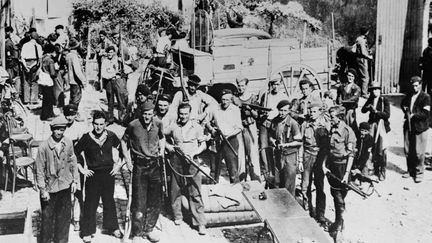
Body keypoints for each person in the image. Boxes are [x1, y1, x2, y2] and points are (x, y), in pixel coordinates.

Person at [74, 111, 124, 242]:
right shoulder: (86, 138)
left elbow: (123, 149)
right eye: (96, 124)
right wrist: (82, 169)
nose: (98, 127)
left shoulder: (111, 136)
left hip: (108, 173)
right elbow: (75, 153)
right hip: (93, 174)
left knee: (109, 200)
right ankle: (87, 231)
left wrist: (118, 165)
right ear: (92, 123)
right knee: (91, 202)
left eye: (101, 124)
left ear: (105, 124)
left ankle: (112, 227)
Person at [121, 101, 165, 242]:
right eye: (145, 114)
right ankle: (137, 232)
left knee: (155, 199)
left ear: (154, 114)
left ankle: (149, 229)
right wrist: (128, 160)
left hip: (154, 165)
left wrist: (162, 151)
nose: (147, 117)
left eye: (150, 114)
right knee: (139, 200)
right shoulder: (133, 125)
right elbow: (123, 141)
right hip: (139, 165)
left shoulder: (158, 124)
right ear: (141, 113)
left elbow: (162, 138)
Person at [35, 116, 80, 243]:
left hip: (65, 186)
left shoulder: (68, 142)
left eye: (62, 129)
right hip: (50, 189)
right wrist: (43, 190)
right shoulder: (43, 147)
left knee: (64, 218)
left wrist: (75, 180)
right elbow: (39, 170)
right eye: (57, 130)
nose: (60, 132)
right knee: (47, 219)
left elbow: (73, 161)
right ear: (52, 130)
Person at [165, 103, 207, 235]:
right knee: (175, 189)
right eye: (181, 114)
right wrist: (168, 146)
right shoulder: (173, 126)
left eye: (185, 114)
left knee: (195, 190)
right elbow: (160, 135)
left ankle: (200, 222)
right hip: (176, 159)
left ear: (190, 114)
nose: (183, 116)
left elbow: (203, 145)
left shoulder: (197, 127)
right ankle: (178, 216)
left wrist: (194, 153)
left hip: (192, 161)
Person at [322, 106, 356, 236]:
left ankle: (340, 225)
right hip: (332, 165)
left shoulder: (348, 131)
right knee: (335, 194)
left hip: (343, 167)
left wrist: (347, 173)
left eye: (332, 117)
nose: (330, 119)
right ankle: (338, 222)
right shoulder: (333, 128)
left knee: (339, 196)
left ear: (340, 117)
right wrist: (324, 164)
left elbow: (351, 154)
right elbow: (329, 149)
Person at [298, 102, 329, 226]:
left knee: (320, 186)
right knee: (305, 185)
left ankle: (320, 214)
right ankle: (308, 210)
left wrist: (325, 162)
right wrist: (300, 160)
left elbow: (327, 146)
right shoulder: (305, 125)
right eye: (310, 111)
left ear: (320, 112)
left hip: (320, 156)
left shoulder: (325, 125)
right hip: (307, 155)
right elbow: (300, 143)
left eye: (315, 111)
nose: (312, 113)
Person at [63, 104, 90, 232]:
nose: (69, 117)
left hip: (77, 161)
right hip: (63, 163)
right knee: (65, 191)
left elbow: (83, 148)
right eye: (67, 114)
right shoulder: (61, 127)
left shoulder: (80, 128)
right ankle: (65, 217)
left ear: (75, 115)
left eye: (72, 114)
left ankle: (77, 219)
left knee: (78, 191)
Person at [207, 89, 243, 183]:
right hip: (217, 140)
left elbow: (239, 128)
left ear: (231, 100)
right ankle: (212, 190)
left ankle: (236, 191)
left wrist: (228, 135)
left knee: (233, 169)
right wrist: (212, 130)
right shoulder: (215, 108)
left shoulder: (235, 109)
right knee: (214, 169)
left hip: (230, 141)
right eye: (223, 99)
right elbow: (206, 121)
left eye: (227, 100)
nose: (224, 102)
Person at [268, 100, 302, 195]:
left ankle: (291, 207)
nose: (282, 113)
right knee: (277, 182)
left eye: (284, 111)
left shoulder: (293, 123)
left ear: (289, 111)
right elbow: (270, 135)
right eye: (280, 110)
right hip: (278, 155)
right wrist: (272, 141)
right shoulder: (275, 121)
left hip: (290, 156)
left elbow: (299, 142)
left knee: (289, 184)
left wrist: (286, 145)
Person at [401, 76, 430, 183]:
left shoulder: (425, 97)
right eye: (413, 86)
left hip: (420, 127)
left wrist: (413, 115)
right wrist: (405, 110)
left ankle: (419, 173)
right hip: (408, 126)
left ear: (420, 85)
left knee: (419, 152)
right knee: (408, 150)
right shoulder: (409, 95)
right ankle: (410, 170)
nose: (414, 88)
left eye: (416, 86)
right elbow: (403, 103)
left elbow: (425, 113)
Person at [258, 76, 288, 180]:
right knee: (263, 147)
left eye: (277, 84)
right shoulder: (266, 95)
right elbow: (260, 109)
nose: (275, 86)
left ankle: (277, 171)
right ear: (271, 85)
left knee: (276, 146)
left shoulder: (283, 96)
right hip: (265, 123)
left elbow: (286, 112)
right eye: (273, 84)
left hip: (276, 124)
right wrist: (263, 113)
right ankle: (266, 171)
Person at [232, 76, 261, 181]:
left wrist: (249, 110)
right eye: (239, 86)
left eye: (243, 85)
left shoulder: (252, 98)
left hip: (250, 126)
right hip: (239, 127)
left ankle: (255, 176)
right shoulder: (234, 99)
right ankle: (242, 176)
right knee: (240, 153)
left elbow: (257, 115)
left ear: (246, 86)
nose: (241, 88)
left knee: (252, 152)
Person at [361, 81, 390, 180]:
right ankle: (373, 168)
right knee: (371, 147)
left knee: (381, 148)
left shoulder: (384, 100)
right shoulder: (371, 99)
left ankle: (382, 171)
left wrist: (376, 112)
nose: (375, 91)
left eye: (376, 89)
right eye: (373, 90)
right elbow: (363, 110)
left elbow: (387, 114)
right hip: (372, 125)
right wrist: (368, 107)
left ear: (380, 90)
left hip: (381, 126)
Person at [101, 46, 127, 123]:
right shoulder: (104, 61)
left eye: (111, 52)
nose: (110, 54)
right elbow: (103, 74)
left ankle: (122, 118)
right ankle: (110, 118)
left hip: (117, 81)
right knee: (110, 101)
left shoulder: (117, 60)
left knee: (120, 100)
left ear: (114, 53)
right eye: (108, 52)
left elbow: (123, 69)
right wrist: (111, 75)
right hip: (109, 82)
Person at [66, 38, 87, 121]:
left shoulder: (68, 55)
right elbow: (77, 71)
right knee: (76, 99)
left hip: (71, 80)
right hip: (76, 80)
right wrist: (83, 81)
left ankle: (69, 114)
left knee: (72, 98)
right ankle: (73, 115)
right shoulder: (74, 56)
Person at [336, 68, 361, 136]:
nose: (350, 78)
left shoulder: (356, 88)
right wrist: (339, 99)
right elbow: (338, 98)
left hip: (351, 109)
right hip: (343, 109)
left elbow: (354, 99)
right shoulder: (342, 87)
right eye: (349, 75)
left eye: (352, 76)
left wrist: (343, 101)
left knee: (351, 123)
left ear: (354, 78)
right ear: (346, 76)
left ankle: (354, 138)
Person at [21, 32, 42, 104]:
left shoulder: (25, 45)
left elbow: (22, 57)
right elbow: (40, 58)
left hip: (26, 63)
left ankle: (26, 99)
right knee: (34, 82)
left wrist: (25, 66)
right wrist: (39, 67)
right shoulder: (39, 46)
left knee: (26, 82)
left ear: (30, 37)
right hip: (35, 63)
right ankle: (34, 99)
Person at [355, 27, 373, 98]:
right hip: (362, 59)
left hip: (360, 59)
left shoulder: (359, 39)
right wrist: (369, 57)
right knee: (365, 77)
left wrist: (368, 51)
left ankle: (362, 91)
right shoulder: (362, 40)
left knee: (362, 76)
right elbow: (362, 52)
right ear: (366, 32)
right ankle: (364, 93)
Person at [40, 44, 57, 121]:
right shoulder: (50, 60)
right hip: (48, 79)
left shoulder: (43, 58)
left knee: (45, 98)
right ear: (52, 51)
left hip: (43, 79)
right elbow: (53, 73)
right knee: (49, 98)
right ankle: (46, 115)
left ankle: (49, 114)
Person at [5, 26, 21, 96]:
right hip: (16, 61)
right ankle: (16, 94)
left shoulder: (9, 41)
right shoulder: (17, 38)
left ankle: (13, 94)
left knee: (10, 78)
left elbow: (8, 51)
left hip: (11, 61)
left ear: (8, 32)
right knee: (16, 77)